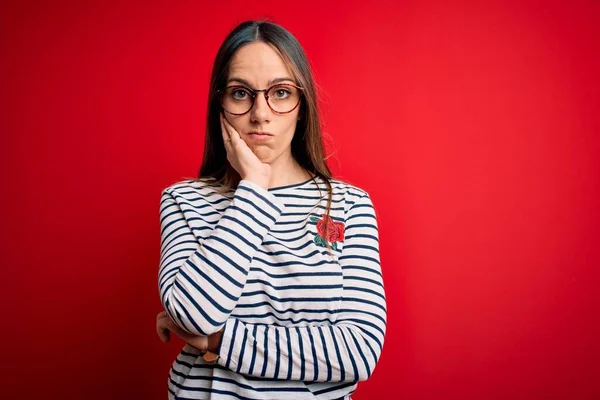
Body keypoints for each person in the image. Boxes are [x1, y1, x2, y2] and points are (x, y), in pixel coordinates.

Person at [156, 20, 387, 400]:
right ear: (220, 105)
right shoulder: (184, 200)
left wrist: (215, 339)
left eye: (280, 93)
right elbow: (193, 314)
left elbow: (358, 351)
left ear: (302, 105)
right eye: (241, 93)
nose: (260, 114)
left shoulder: (350, 205)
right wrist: (253, 191)